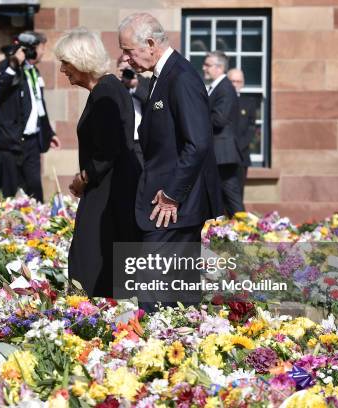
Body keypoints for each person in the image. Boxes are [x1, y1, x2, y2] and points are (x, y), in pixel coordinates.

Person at [118, 13, 223, 309]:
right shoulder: (162, 76)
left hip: (173, 207)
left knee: (152, 292)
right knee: (179, 295)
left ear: (150, 44)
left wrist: (172, 196)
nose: (126, 59)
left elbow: (198, 142)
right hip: (168, 205)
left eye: (128, 50)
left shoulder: (181, 77)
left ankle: (154, 349)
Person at [55, 28, 141, 297]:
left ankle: (89, 315)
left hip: (108, 192)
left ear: (80, 60)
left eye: (66, 63)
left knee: (88, 259)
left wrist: (84, 178)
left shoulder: (106, 92)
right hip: (108, 189)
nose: (62, 70)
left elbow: (108, 149)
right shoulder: (108, 89)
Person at [0, 31, 60, 202]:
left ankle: (37, 226)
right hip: (10, 141)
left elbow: (39, 106)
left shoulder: (34, 72)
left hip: (32, 143)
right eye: (42, 48)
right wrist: (13, 65)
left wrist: (49, 133)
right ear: (31, 48)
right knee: (10, 192)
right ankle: (10, 227)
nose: (43, 52)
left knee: (35, 189)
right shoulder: (7, 65)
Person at [202, 51, 245, 216]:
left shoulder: (225, 88)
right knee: (221, 196)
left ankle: (247, 234)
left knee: (231, 196)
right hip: (218, 153)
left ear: (219, 68)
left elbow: (219, 119)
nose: (204, 68)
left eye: (208, 65)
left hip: (223, 154)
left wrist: (197, 118)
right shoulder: (217, 87)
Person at [227, 68, 257, 203]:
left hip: (241, 155)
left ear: (243, 83)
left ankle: (238, 224)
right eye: (232, 81)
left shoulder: (249, 103)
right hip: (222, 155)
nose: (235, 84)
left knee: (238, 193)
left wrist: (238, 146)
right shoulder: (220, 102)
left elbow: (251, 128)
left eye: (238, 81)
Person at [117, 55, 149, 166]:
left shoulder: (145, 82)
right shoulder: (114, 87)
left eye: (128, 70)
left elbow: (149, 101)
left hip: (140, 140)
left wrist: (134, 86)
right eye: (122, 70)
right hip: (121, 140)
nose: (126, 73)